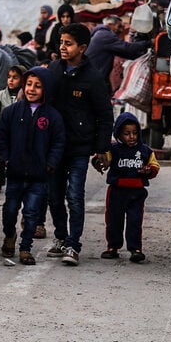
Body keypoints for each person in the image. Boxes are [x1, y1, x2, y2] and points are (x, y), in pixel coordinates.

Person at [45, 22, 114, 266]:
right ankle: (61, 238)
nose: (63, 48)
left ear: (82, 48)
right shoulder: (53, 70)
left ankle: (73, 245)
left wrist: (102, 148)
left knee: (74, 196)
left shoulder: (94, 78)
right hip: (54, 148)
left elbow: (105, 115)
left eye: (68, 44)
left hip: (78, 148)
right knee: (54, 196)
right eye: (61, 43)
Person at [0, 66, 65, 265]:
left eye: (38, 86)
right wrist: (5, 159)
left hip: (38, 176)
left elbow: (58, 142)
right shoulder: (11, 112)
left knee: (32, 213)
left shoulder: (52, 116)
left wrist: (50, 164)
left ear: (46, 90)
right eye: (29, 85)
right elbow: (1, 137)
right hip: (15, 173)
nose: (32, 89)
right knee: (9, 210)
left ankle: (26, 248)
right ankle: (9, 236)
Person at [96, 112, 159, 263]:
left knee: (135, 222)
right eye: (127, 133)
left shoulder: (145, 151)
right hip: (117, 191)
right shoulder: (113, 149)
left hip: (137, 193)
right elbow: (102, 159)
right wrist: (100, 163)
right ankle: (113, 247)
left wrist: (149, 170)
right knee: (113, 220)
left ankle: (135, 249)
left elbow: (154, 166)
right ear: (118, 134)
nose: (132, 137)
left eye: (135, 133)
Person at [0, 64, 27, 194]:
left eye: (15, 77)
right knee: (0, 159)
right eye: (9, 77)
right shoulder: (0, 95)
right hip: (4, 132)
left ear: (22, 80)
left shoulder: (26, 95)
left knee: (18, 159)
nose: (11, 80)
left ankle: (17, 183)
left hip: (20, 132)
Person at [86, 15, 152, 88]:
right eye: (119, 26)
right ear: (110, 25)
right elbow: (127, 48)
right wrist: (149, 43)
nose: (121, 30)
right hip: (94, 77)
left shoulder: (100, 33)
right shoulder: (105, 35)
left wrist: (144, 56)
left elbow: (123, 52)